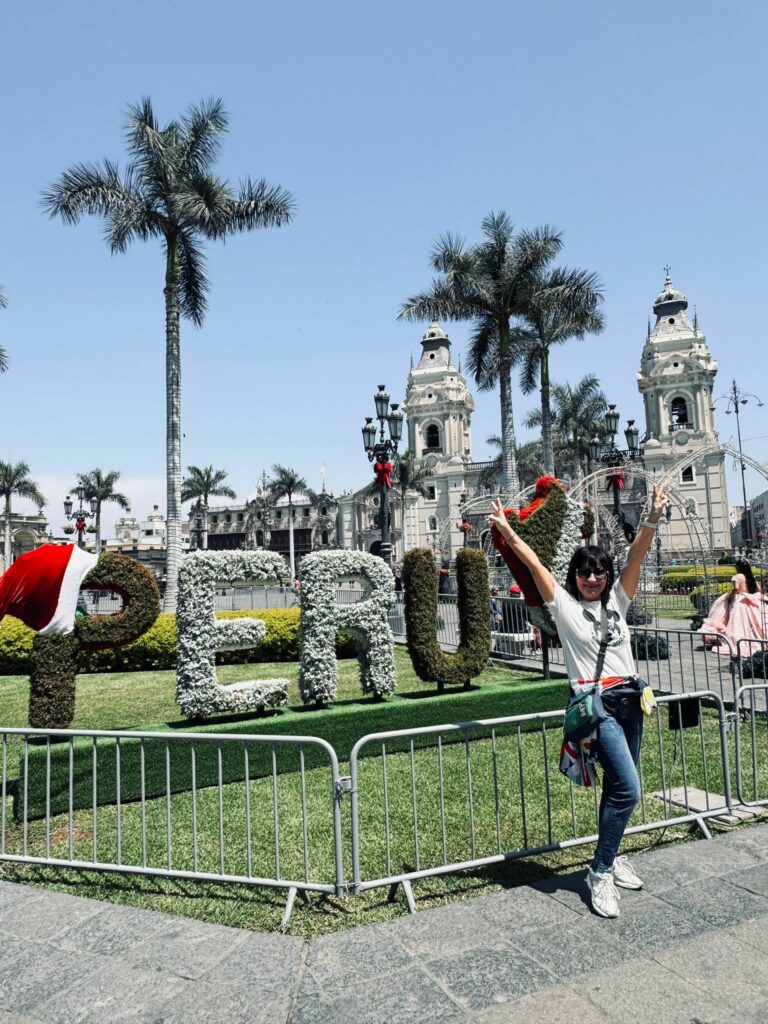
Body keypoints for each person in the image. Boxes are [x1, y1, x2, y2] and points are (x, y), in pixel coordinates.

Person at [488, 482, 667, 919]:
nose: (592, 578)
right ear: (575, 576)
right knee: (629, 788)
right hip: (597, 704)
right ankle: (600, 872)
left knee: (617, 786)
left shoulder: (618, 602)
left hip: (631, 700)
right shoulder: (565, 608)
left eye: (599, 572)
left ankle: (612, 855)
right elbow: (534, 565)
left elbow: (636, 557)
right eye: (585, 572)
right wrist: (508, 533)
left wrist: (651, 518)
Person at [699, 573, 765, 657]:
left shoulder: (737, 576)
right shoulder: (750, 577)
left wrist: (731, 596)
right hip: (747, 599)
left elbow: (736, 588)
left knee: (736, 620)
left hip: (738, 599)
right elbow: (758, 589)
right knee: (750, 620)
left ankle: (736, 639)